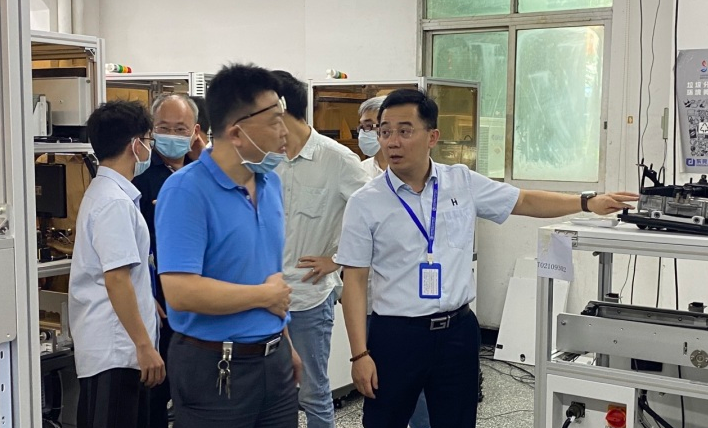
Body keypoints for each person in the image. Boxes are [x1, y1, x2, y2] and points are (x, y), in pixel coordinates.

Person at [334, 89, 639, 428]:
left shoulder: (461, 182)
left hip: (457, 333)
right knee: (384, 421)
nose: (392, 141)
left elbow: (524, 201)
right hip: (396, 335)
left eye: (405, 131)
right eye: (385, 131)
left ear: (432, 136)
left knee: (457, 420)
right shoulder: (365, 202)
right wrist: (359, 354)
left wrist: (586, 203)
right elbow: (355, 281)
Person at [154, 63, 301, 428]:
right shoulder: (186, 190)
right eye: (275, 121)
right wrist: (263, 297)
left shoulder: (270, 184)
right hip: (216, 367)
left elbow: (269, 275)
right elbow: (180, 291)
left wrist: (285, 345)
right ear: (237, 132)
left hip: (274, 360)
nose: (285, 132)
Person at [271, 70, 370, 428]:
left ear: (281, 108)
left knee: (313, 393)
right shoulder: (265, 158)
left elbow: (374, 217)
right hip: (263, 296)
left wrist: (338, 259)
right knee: (272, 393)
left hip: (308, 298)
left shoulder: (337, 160)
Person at [69, 100, 165, 428]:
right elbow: (116, 279)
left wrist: (145, 298)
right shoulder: (114, 203)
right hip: (116, 353)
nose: (150, 148)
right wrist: (144, 346)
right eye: (149, 140)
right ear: (136, 145)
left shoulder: (107, 193)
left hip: (116, 349)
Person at [356, 94, 432, 428]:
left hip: (421, 304)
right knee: (387, 395)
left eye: (400, 130)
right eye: (373, 128)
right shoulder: (360, 176)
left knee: (427, 400)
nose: (385, 138)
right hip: (377, 304)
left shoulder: (434, 179)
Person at [132, 93, 200, 428]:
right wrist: (145, 294)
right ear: (151, 130)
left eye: (180, 129)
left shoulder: (206, 176)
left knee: (197, 397)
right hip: (160, 308)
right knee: (154, 398)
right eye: (164, 127)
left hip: (202, 305)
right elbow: (131, 248)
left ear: (195, 132)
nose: (171, 135)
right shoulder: (139, 179)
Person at [357, 96, 387, 178]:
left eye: (368, 125)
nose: (363, 132)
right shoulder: (360, 171)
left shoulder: (414, 171)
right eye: (361, 126)